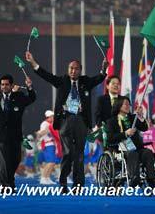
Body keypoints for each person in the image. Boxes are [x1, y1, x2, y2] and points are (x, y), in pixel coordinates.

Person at [26, 51, 107, 191]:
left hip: (81, 121)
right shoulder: (62, 81)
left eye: (76, 68)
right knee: (68, 152)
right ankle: (63, 182)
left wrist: (104, 68)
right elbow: (46, 75)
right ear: (67, 69)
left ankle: (78, 185)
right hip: (65, 121)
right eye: (71, 68)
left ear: (80, 70)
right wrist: (33, 62)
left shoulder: (85, 82)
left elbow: (99, 78)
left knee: (80, 154)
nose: (73, 71)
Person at [106, 96, 155, 188]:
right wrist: (125, 134)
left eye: (129, 104)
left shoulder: (133, 118)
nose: (128, 106)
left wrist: (140, 116)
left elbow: (144, 128)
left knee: (148, 153)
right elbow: (110, 138)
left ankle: (152, 179)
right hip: (121, 150)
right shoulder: (111, 121)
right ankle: (134, 177)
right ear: (119, 105)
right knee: (133, 154)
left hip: (137, 147)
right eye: (126, 104)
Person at [36, 110, 57, 185]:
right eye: (52, 116)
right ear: (48, 117)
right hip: (48, 144)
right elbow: (41, 133)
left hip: (52, 144)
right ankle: (43, 178)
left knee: (53, 162)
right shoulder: (45, 124)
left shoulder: (51, 124)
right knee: (50, 162)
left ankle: (47, 177)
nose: (53, 118)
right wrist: (47, 130)